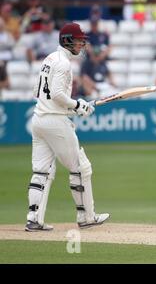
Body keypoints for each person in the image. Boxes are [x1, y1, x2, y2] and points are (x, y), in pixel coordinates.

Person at [25, 22, 110, 231]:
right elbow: (56, 94)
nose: (82, 44)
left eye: (82, 40)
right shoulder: (63, 63)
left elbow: (38, 91)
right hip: (55, 122)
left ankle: (34, 219)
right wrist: (77, 104)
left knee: (41, 171)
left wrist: (74, 108)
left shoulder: (49, 59)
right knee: (80, 168)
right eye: (79, 40)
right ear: (67, 41)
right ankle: (86, 217)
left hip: (39, 119)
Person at [79, 17, 116, 98]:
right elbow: (84, 77)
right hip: (94, 86)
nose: (94, 26)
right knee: (92, 91)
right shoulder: (87, 63)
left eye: (95, 24)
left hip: (102, 85)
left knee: (111, 92)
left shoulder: (103, 35)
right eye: (93, 24)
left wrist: (101, 55)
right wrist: (93, 53)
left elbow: (109, 47)